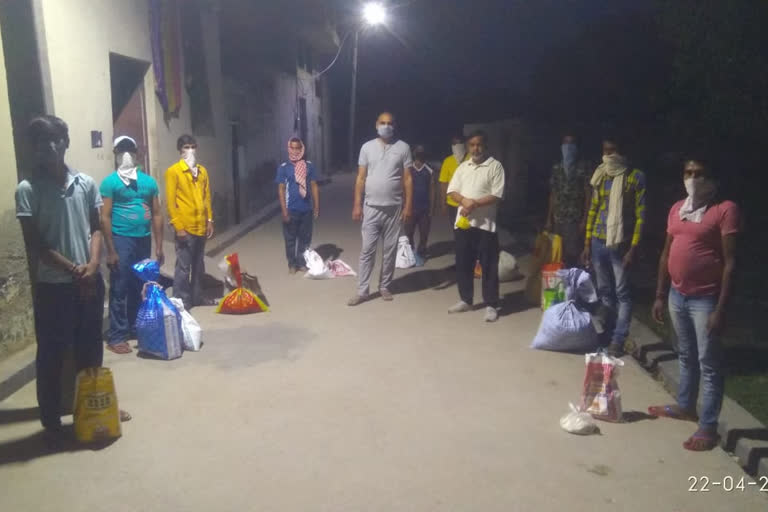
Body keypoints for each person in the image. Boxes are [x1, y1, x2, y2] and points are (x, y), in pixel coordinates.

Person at [15, 115, 130, 438]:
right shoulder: (28, 190)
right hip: (54, 286)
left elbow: (95, 227)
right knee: (52, 352)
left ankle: (96, 404)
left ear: (65, 142)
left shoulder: (85, 184)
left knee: (90, 348)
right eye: (40, 141)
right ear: (33, 148)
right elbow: (35, 243)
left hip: (89, 282)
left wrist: (93, 265)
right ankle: (51, 419)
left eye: (55, 139)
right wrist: (72, 269)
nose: (49, 146)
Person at [648, 155, 739, 451]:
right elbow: (665, 253)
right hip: (677, 294)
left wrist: (720, 309)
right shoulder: (678, 209)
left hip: (706, 299)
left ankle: (708, 427)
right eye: (688, 172)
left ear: (711, 178)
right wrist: (660, 294)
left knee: (708, 364)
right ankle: (686, 405)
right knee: (685, 354)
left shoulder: (724, 210)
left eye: (699, 173)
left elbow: (730, 263)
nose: (692, 179)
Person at [581, 136, 646, 356]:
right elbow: (593, 210)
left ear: (622, 152)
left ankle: (618, 338)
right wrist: (587, 242)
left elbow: (640, 216)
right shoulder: (601, 174)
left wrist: (633, 248)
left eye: (613, 151)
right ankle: (606, 335)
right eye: (605, 151)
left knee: (622, 293)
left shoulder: (635, 178)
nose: (608, 155)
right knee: (605, 291)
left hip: (621, 244)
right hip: (599, 241)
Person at [100, 136, 164, 354]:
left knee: (140, 285)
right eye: (121, 150)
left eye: (130, 150)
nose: (126, 154)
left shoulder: (148, 182)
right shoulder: (110, 183)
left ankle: (135, 327)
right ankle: (117, 335)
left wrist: (159, 246)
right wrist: (110, 250)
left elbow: (156, 213)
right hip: (121, 239)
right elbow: (105, 217)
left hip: (143, 239)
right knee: (119, 287)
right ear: (115, 154)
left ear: (137, 154)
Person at [348, 112, 413, 306]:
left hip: (394, 208)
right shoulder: (367, 148)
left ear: (395, 125)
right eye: (382, 123)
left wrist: (408, 206)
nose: (386, 126)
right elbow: (361, 177)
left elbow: (408, 178)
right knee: (367, 250)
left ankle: (384, 286)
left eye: (390, 123)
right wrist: (357, 204)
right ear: (376, 124)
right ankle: (362, 290)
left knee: (390, 250)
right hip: (371, 208)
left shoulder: (403, 148)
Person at [446, 130, 505, 322]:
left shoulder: (495, 166)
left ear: (485, 146)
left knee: (489, 265)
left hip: (486, 226)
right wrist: (464, 200)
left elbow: (497, 194)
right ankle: (466, 299)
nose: (475, 148)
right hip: (463, 224)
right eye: (471, 145)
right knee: (463, 263)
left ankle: (491, 304)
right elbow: (452, 191)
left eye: (479, 144)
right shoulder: (463, 167)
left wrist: (475, 203)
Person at [165, 134, 216, 310]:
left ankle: (197, 297)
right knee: (183, 268)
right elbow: (171, 203)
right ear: (180, 150)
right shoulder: (174, 172)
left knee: (198, 265)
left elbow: (207, 197)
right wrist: (178, 227)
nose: (190, 150)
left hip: (201, 226)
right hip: (185, 228)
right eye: (186, 147)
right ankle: (181, 301)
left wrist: (209, 220)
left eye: (193, 146)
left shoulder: (202, 171)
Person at [545, 133, 591, 266]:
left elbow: (588, 194)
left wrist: (585, 219)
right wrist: (549, 219)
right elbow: (553, 194)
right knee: (558, 253)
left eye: (571, 144)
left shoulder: (583, 167)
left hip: (575, 219)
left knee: (574, 254)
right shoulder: (557, 168)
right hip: (558, 218)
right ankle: (562, 283)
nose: (568, 147)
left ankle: (574, 283)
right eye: (565, 143)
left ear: (576, 147)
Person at [276, 137, 320, 273]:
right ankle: (292, 264)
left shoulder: (309, 166)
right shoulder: (284, 168)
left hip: (306, 209)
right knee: (290, 239)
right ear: (289, 149)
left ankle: (302, 263)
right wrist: (284, 211)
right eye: (292, 148)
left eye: (298, 148)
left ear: (302, 149)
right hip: (290, 209)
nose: (295, 151)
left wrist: (317, 206)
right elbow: (281, 189)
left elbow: (313, 186)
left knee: (305, 239)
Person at [404, 144, 433, 258]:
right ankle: (410, 251)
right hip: (410, 207)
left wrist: (432, 208)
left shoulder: (429, 170)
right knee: (409, 232)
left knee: (424, 233)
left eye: (422, 152)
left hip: (424, 208)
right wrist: (403, 206)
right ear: (413, 153)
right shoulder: (408, 169)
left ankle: (421, 252)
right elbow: (403, 188)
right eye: (417, 151)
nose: (419, 154)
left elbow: (432, 190)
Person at [439, 135, 468, 231]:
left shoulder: (471, 158)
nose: (457, 146)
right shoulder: (447, 161)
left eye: (459, 143)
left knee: (469, 228)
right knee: (456, 229)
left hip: (468, 202)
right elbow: (443, 184)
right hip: (452, 203)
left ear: (464, 144)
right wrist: (443, 204)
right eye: (454, 144)